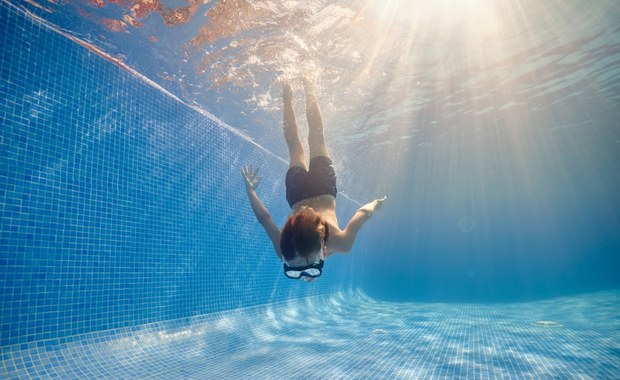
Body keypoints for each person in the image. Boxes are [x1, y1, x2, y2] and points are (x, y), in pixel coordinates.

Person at [242, 79, 386, 281]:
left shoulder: (341, 244)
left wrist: (375, 204)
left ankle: (307, 88)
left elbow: (362, 213)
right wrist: (250, 191)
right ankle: (288, 94)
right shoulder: (284, 249)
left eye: (296, 271)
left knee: (316, 139)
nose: (304, 274)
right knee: (296, 146)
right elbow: (265, 219)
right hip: (297, 193)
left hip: (323, 187)